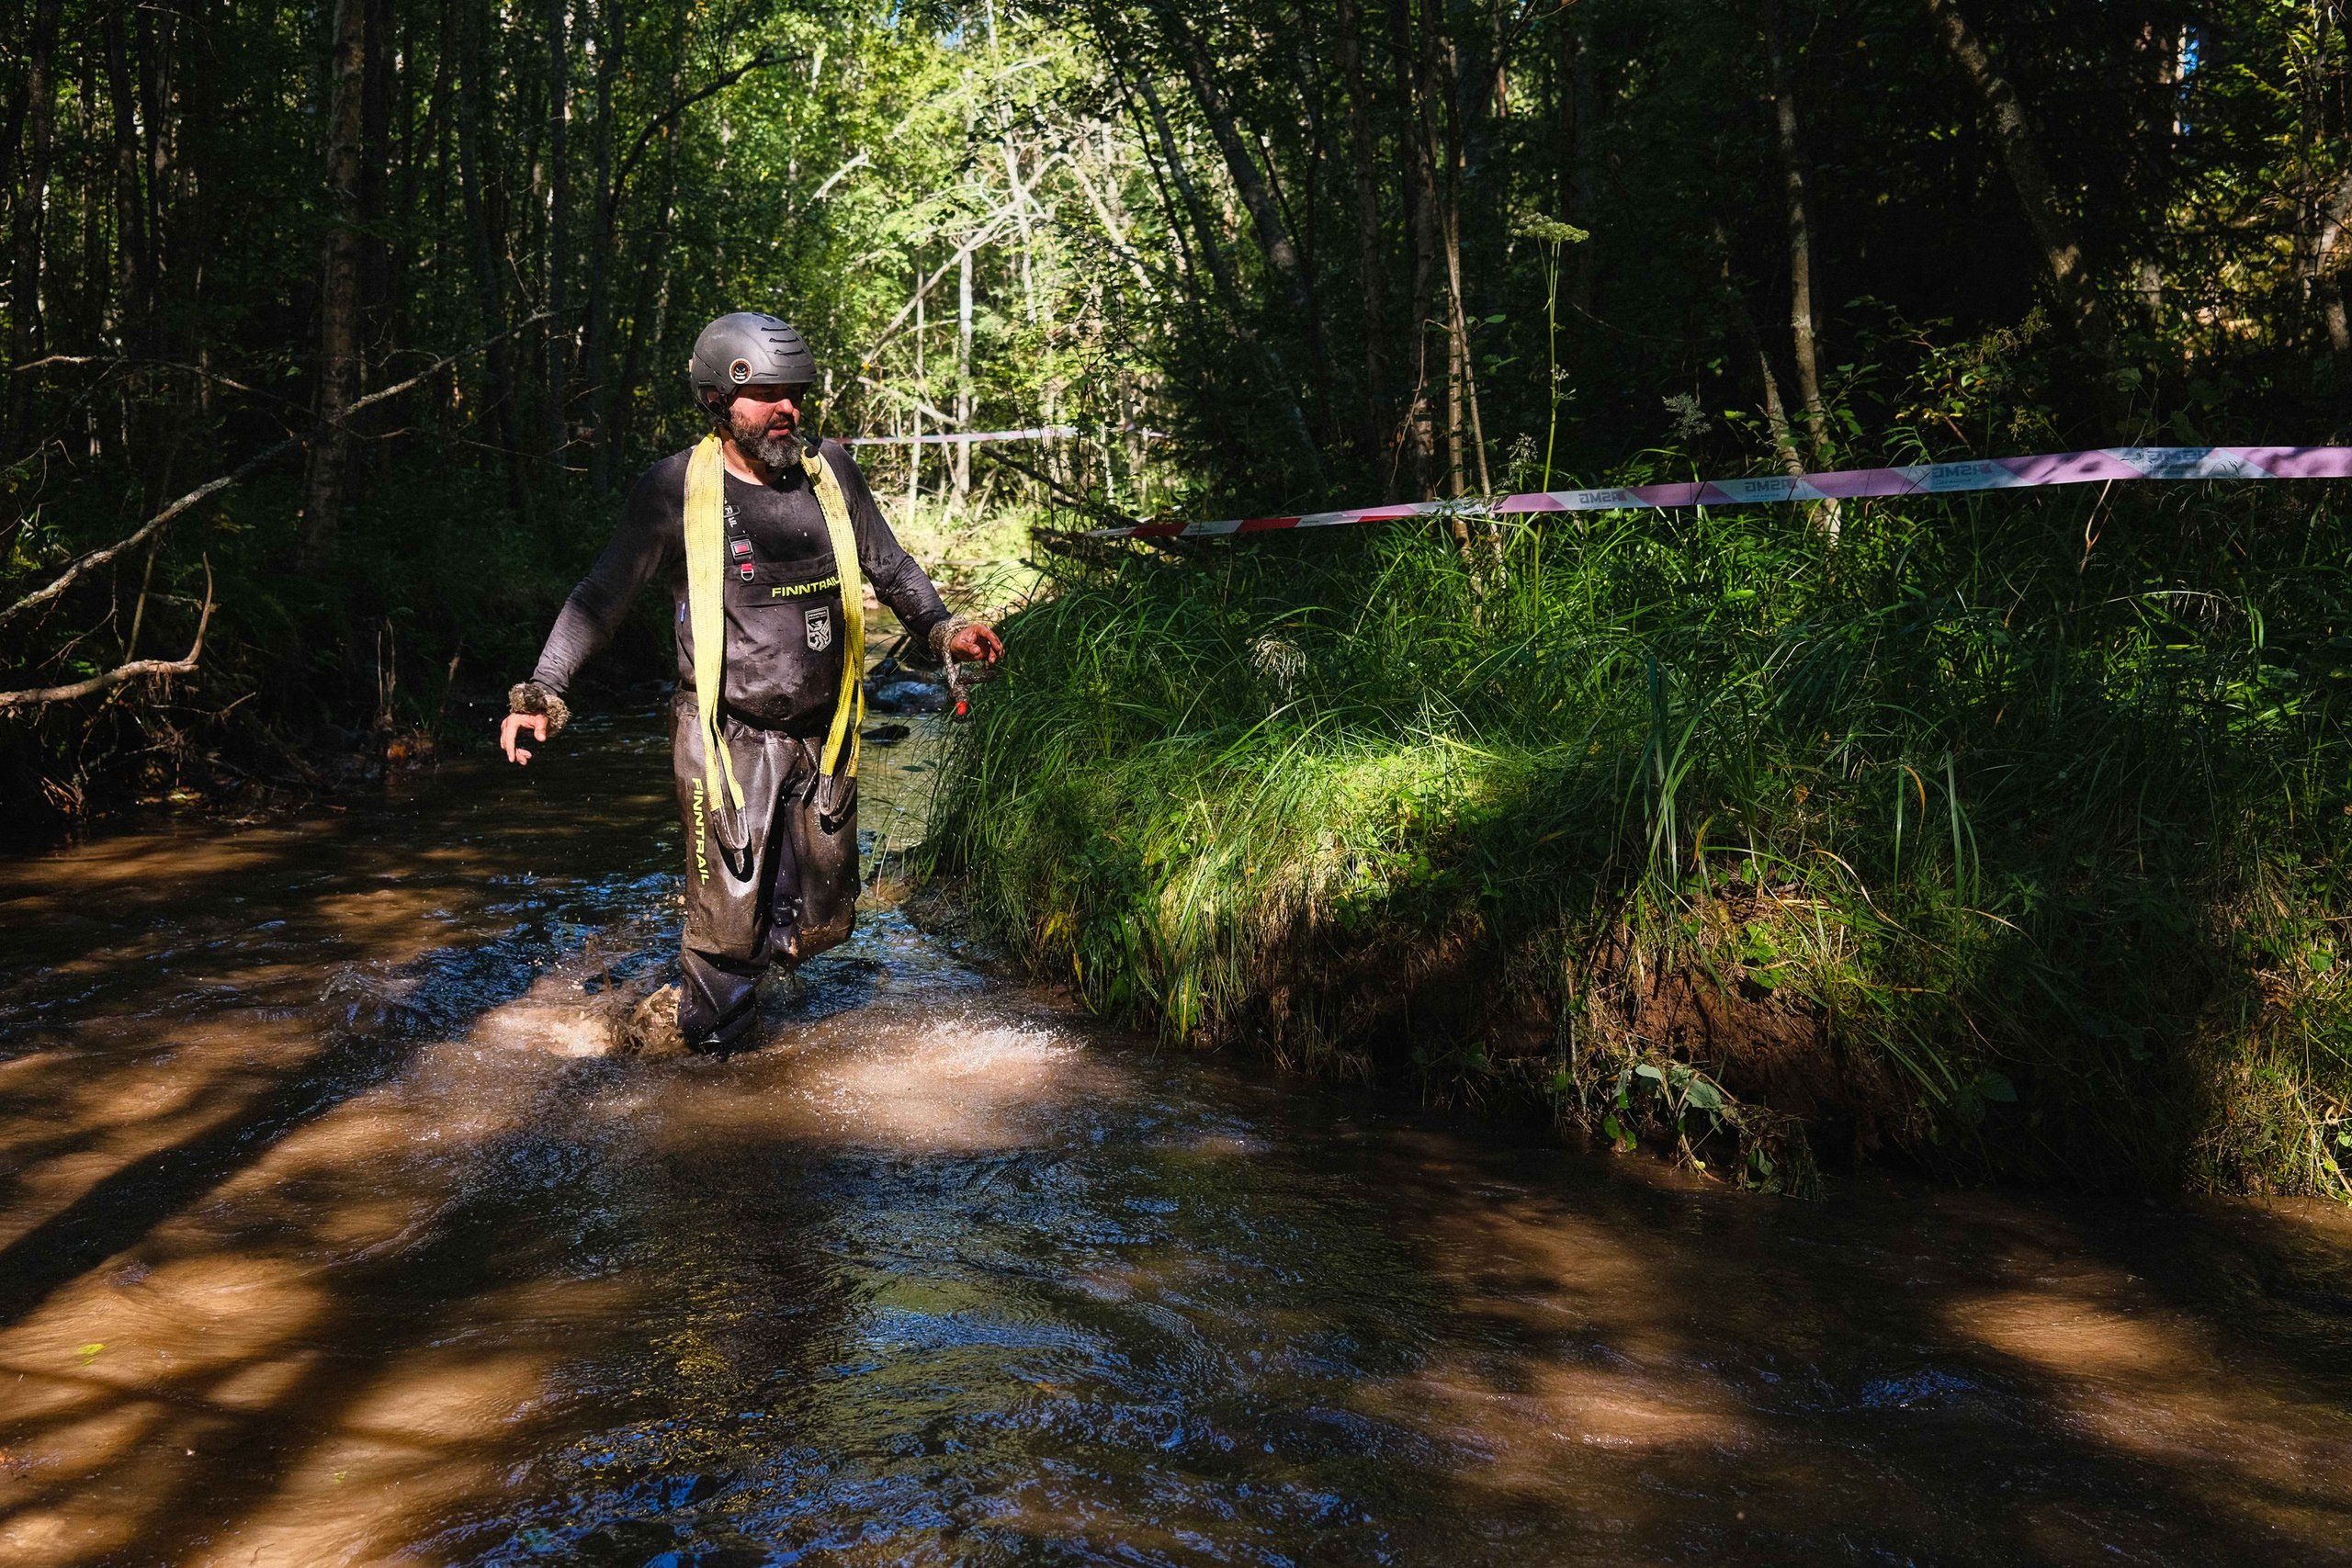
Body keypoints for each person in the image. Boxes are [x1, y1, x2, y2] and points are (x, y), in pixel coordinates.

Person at [501, 311, 1002, 1053]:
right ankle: (710, 1056)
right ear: (717, 399)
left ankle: (732, 994)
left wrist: (940, 627)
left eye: (793, 392)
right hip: (725, 741)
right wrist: (544, 689)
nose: (786, 408)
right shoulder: (673, 488)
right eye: (766, 394)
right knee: (727, 937)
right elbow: (601, 596)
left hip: (825, 734)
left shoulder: (832, 473)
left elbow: (890, 566)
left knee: (823, 921)